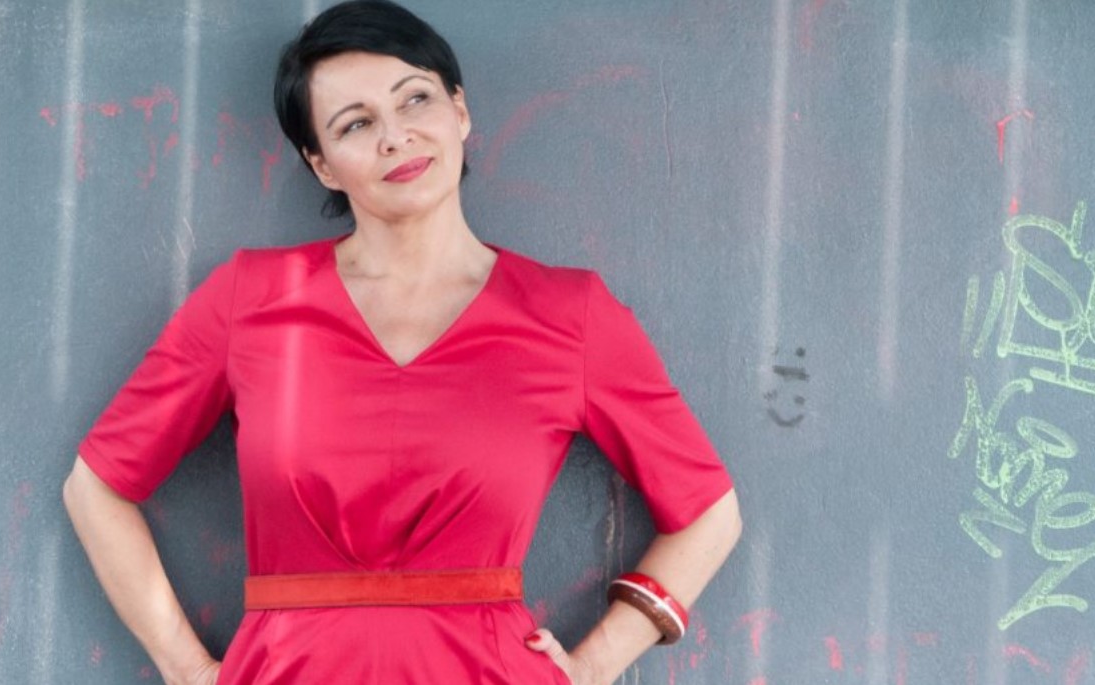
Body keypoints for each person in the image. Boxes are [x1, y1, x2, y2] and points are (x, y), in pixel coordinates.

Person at [62, 1, 743, 683]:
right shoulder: (250, 297)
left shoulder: (570, 312)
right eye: (355, 124)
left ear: (459, 110)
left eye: (415, 99)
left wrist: (592, 668)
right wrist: (187, 668)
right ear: (322, 164)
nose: (395, 136)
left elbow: (709, 513)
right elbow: (96, 488)